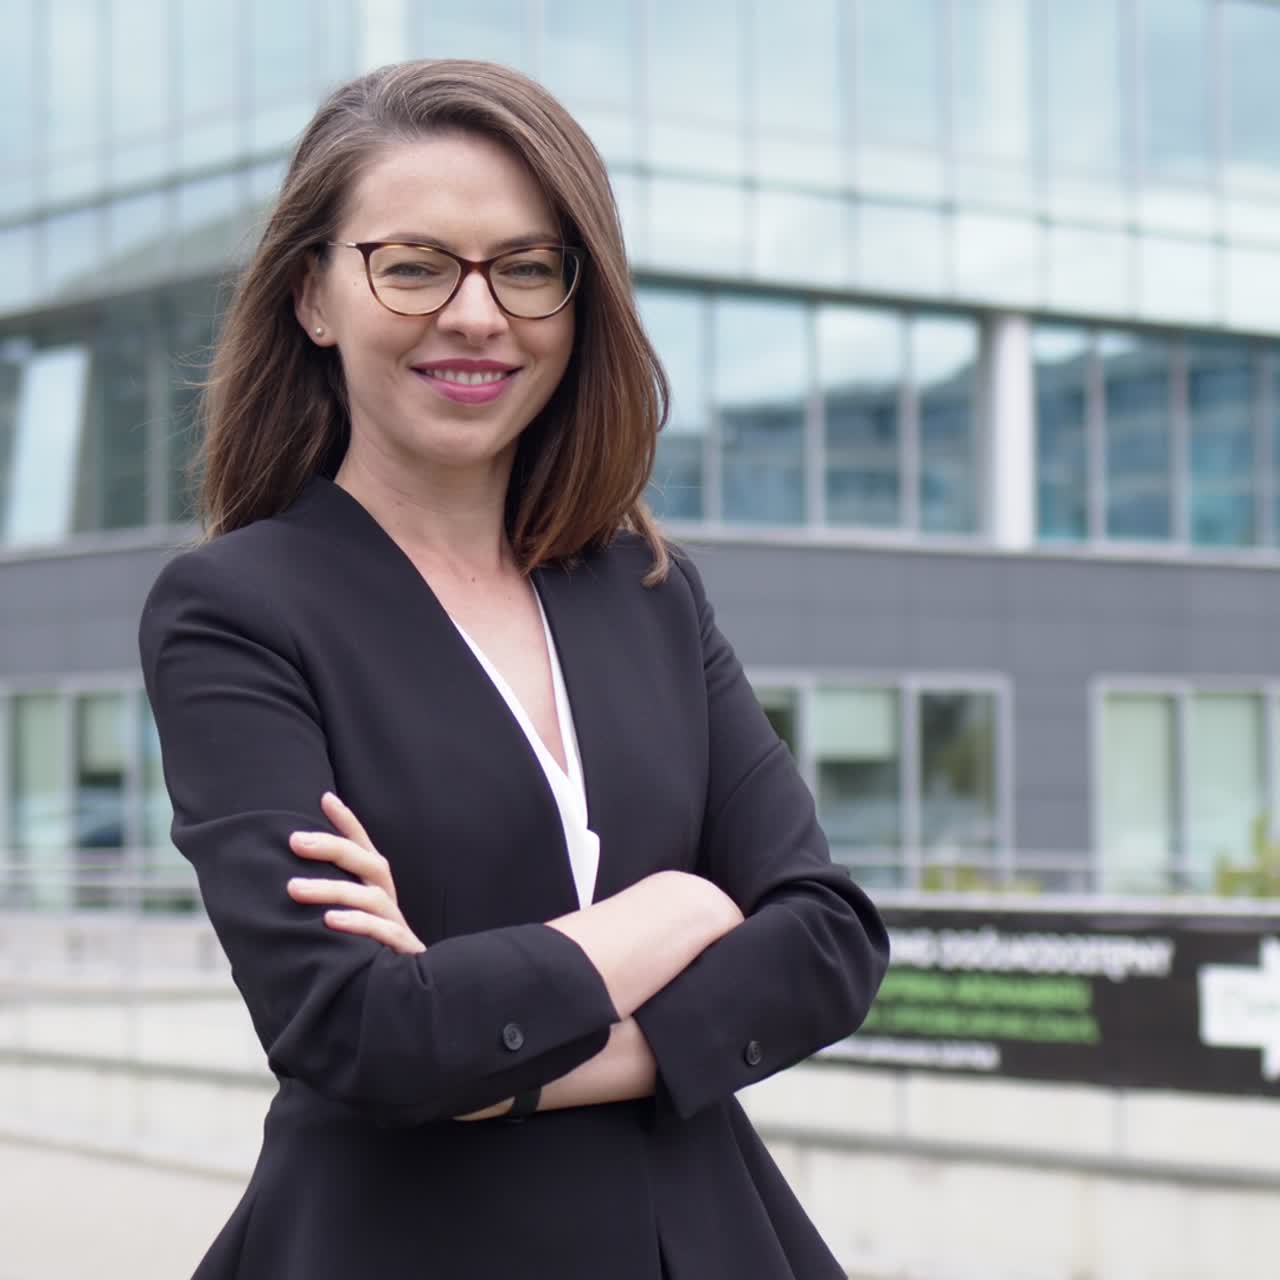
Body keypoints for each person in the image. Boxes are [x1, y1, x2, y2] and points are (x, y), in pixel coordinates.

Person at [138, 58, 889, 1280]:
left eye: (527, 267)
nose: (477, 314)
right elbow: (356, 1028)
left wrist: (503, 1065)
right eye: (415, 264)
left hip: (697, 1237)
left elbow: (826, 942)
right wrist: (670, 913)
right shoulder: (237, 612)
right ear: (313, 299)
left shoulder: (646, 589)